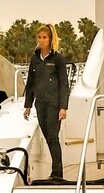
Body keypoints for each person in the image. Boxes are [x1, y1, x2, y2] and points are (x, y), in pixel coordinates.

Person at [23, 24, 72, 182]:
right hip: (40, 103)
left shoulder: (58, 59)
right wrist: (28, 105)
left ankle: (57, 173)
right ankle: (55, 171)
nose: (42, 40)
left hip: (54, 104)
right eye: (40, 37)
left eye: (45, 37)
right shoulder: (35, 58)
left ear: (51, 39)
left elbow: (64, 84)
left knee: (53, 137)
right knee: (47, 137)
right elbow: (30, 82)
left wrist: (63, 107)